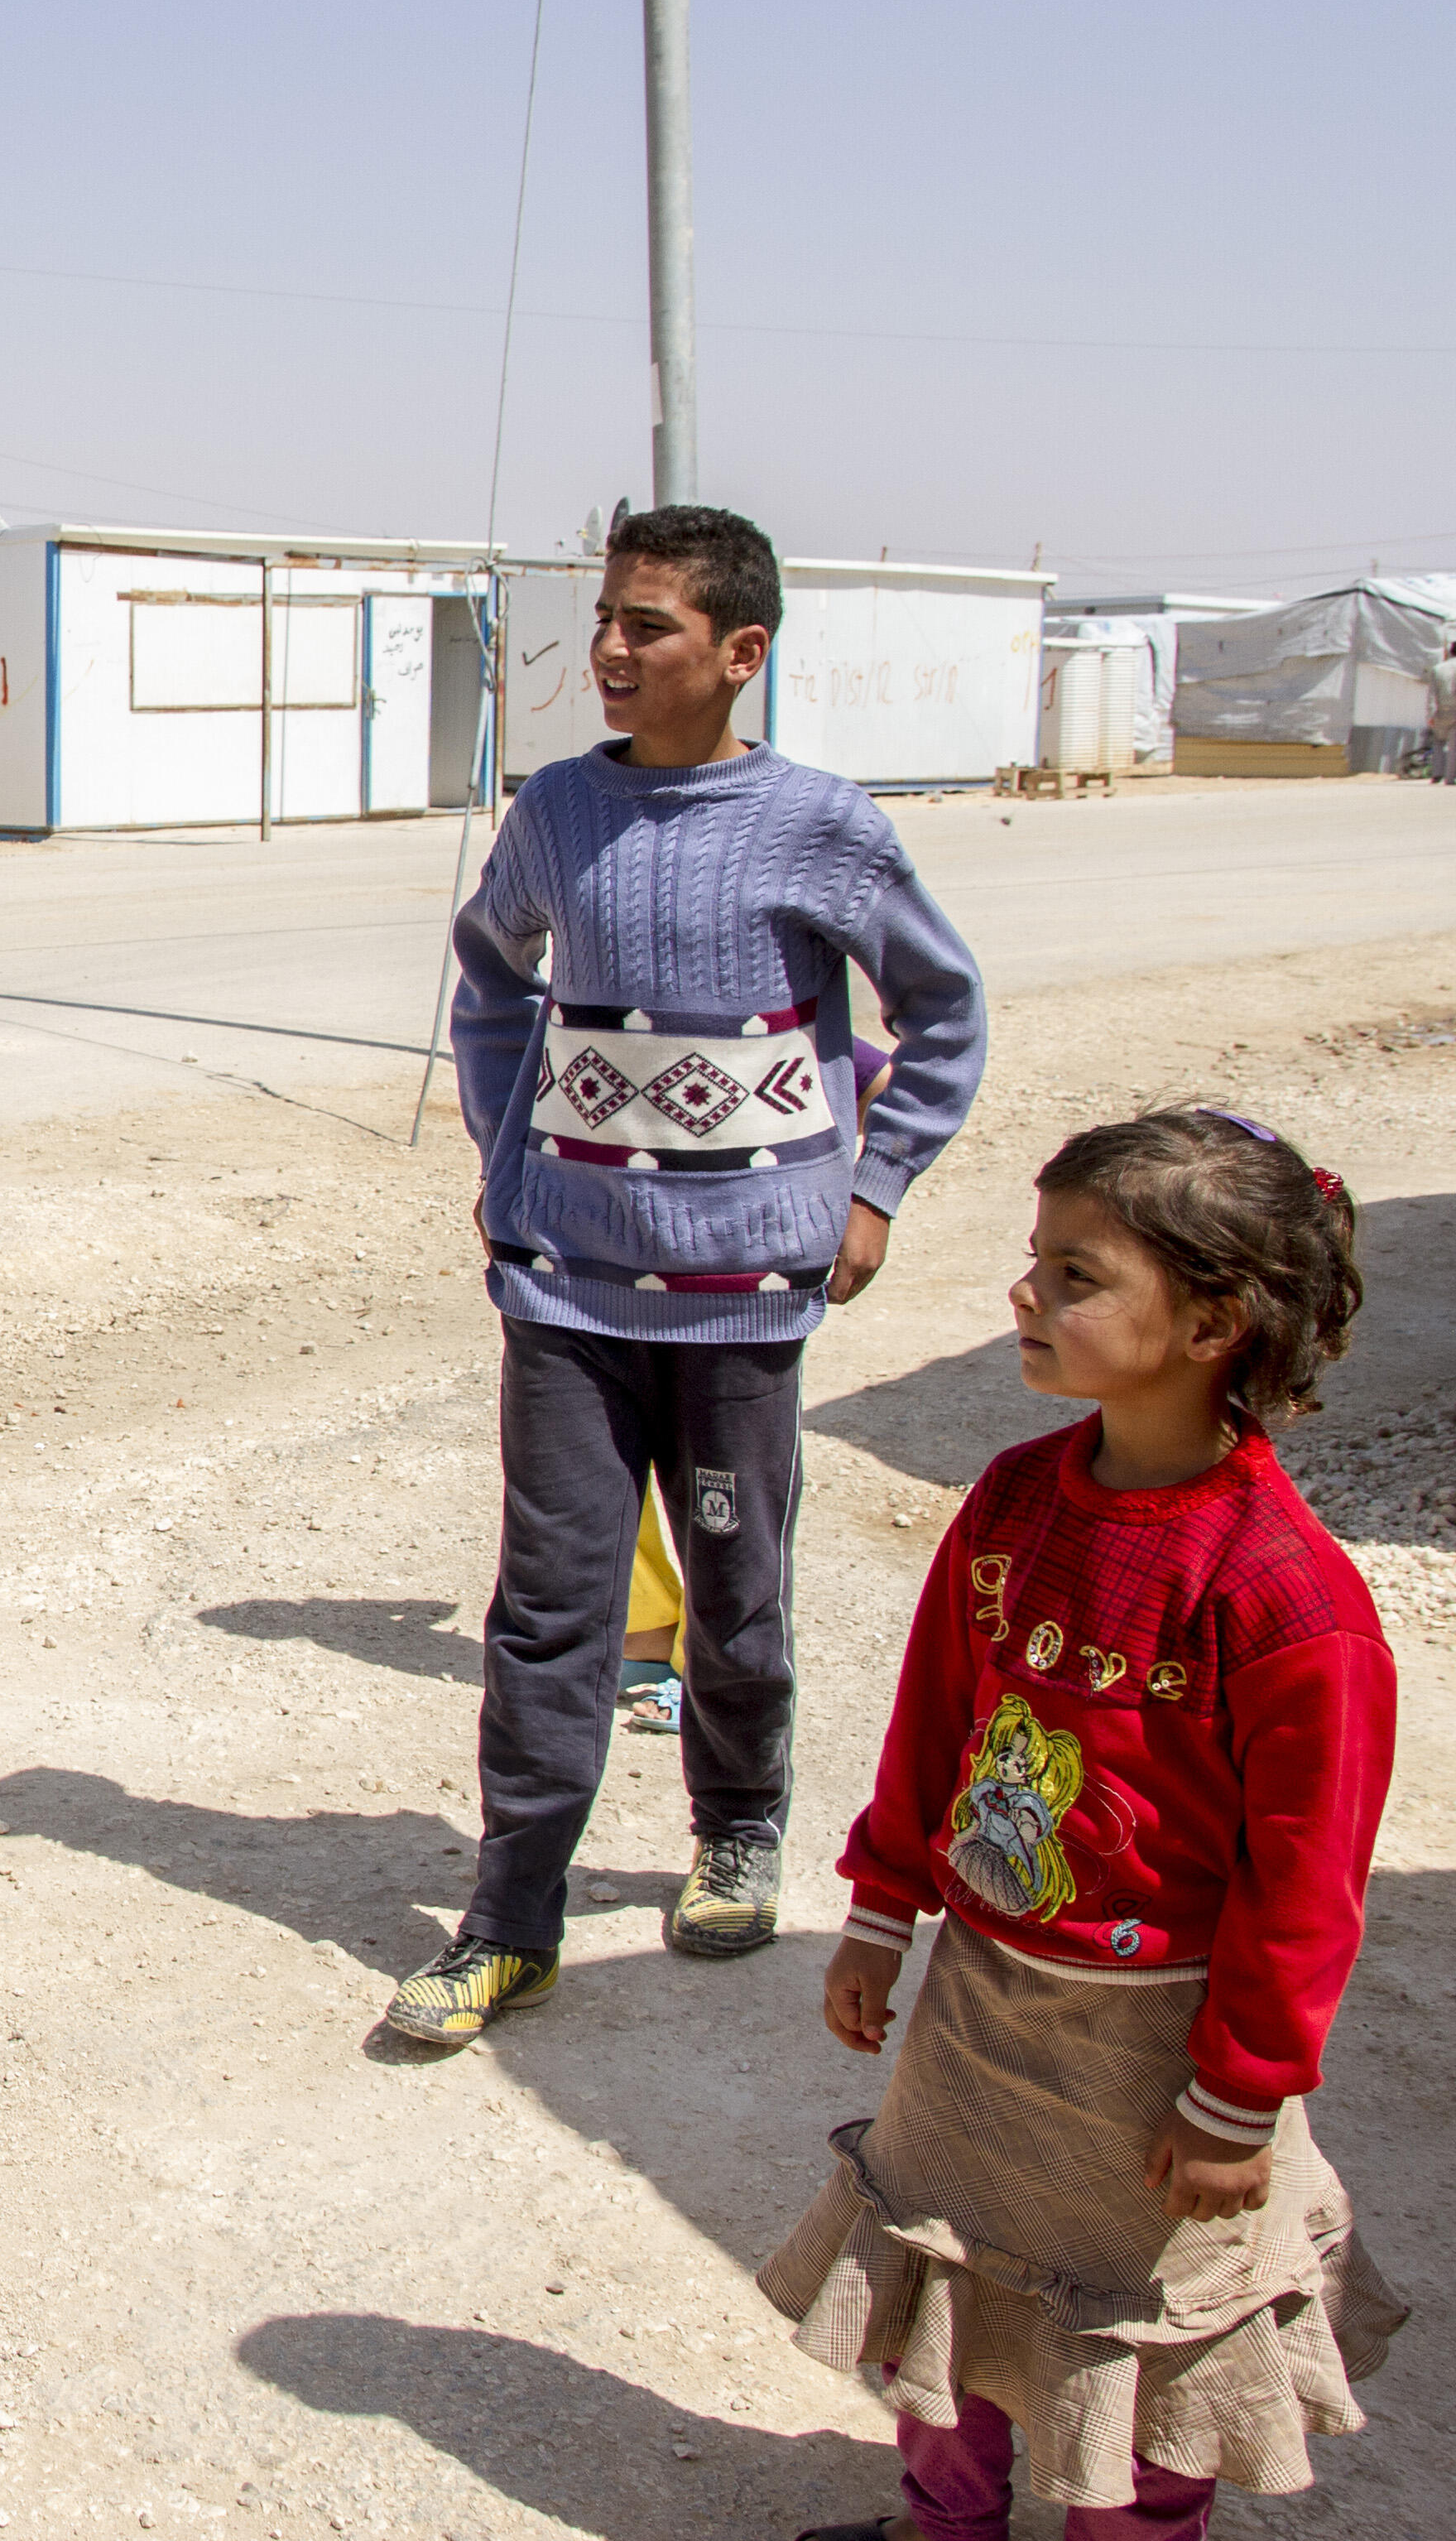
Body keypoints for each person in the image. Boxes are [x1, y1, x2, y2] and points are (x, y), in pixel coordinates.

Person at [390, 504, 989, 2046]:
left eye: (644, 625)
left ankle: (735, 1824)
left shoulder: (821, 827)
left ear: (739, 651)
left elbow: (942, 1010)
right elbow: (487, 978)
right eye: (602, 617)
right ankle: (509, 1913)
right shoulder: (552, 817)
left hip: (741, 1301)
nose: (605, 648)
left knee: (735, 1589)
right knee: (549, 1607)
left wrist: (870, 1187)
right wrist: (505, 1153)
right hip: (567, 1291)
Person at [764, 1110, 1405, 2541]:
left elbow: (1306, 1881)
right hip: (982, 2022)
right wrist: (881, 1907)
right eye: (1031, 1260)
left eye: (1074, 1273)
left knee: (1144, 2340)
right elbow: (937, 1720)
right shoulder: (1005, 1503)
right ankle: (946, 2529)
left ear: (1209, 1322)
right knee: (951, 2289)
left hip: (1157, 2067)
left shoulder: (1284, 1597)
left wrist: (1238, 2094)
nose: (1025, 1295)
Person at [619, 1031, 903, 1737]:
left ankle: (703, 1667)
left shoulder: (759, 1013)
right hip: (601, 1269)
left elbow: (880, 1083)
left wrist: (863, 1192)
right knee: (607, 1469)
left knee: (722, 1494)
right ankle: (647, 1629)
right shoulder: (583, 990)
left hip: (731, 1294)